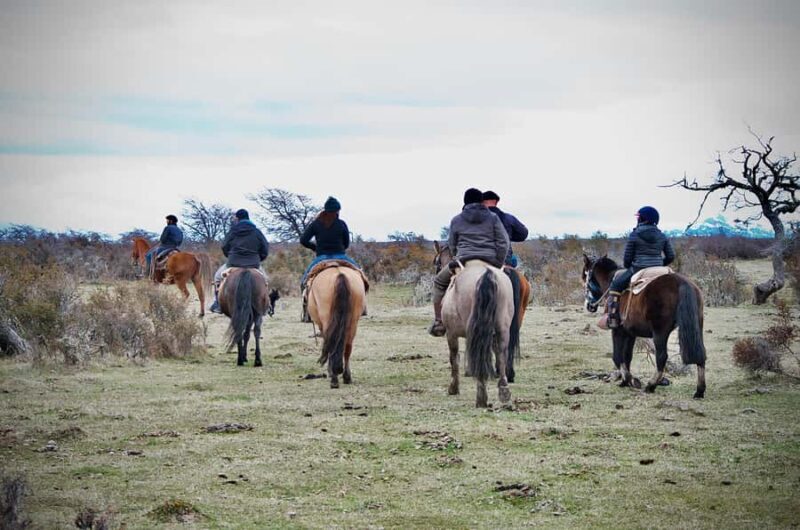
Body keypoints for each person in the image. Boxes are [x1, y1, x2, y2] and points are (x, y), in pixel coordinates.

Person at [429, 188, 510, 337]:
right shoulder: (493, 218)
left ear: (465, 202)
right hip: (490, 260)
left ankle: (438, 321)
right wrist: (498, 263)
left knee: (439, 282)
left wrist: (457, 258)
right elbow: (503, 243)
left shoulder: (456, 220)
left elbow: (452, 244)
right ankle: (508, 320)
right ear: (481, 201)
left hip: (464, 261)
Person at [603, 206, 675, 329]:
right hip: (659, 267)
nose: (637, 219)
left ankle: (613, 319)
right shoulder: (663, 236)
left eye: (638, 217)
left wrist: (630, 266)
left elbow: (627, 260)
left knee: (615, 286)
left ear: (643, 219)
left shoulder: (634, 235)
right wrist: (660, 264)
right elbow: (671, 256)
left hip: (638, 268)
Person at [299, 196, 362, 322]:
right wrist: (340, 248)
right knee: (360, 275)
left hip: (322, 257)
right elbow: (347, 243)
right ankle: (362, 306)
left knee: (304, 281)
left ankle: (307, 312)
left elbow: (303, 240)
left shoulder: (316, 224)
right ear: (337, 210)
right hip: (340, 255)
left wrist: (315, 247)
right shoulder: (341, 224)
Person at [209, 209, 270, 314]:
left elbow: (224, 246)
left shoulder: (233, 231)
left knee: (217, 277)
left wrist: (230, 256)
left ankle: (218, 304)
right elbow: (265, 248)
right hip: (253, 264)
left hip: (233, 263)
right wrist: (259, 258)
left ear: (237, 218)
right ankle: (266, 305)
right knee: (265, 280)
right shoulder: (257, 232)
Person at [482, 190, 528, 267]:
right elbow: (523, 234)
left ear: (482, 202)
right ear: (496, 202)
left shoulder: (475, 219)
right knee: (514, 260)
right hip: (505, 259)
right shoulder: (508, 218)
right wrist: (508, 236)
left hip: (482, 258)